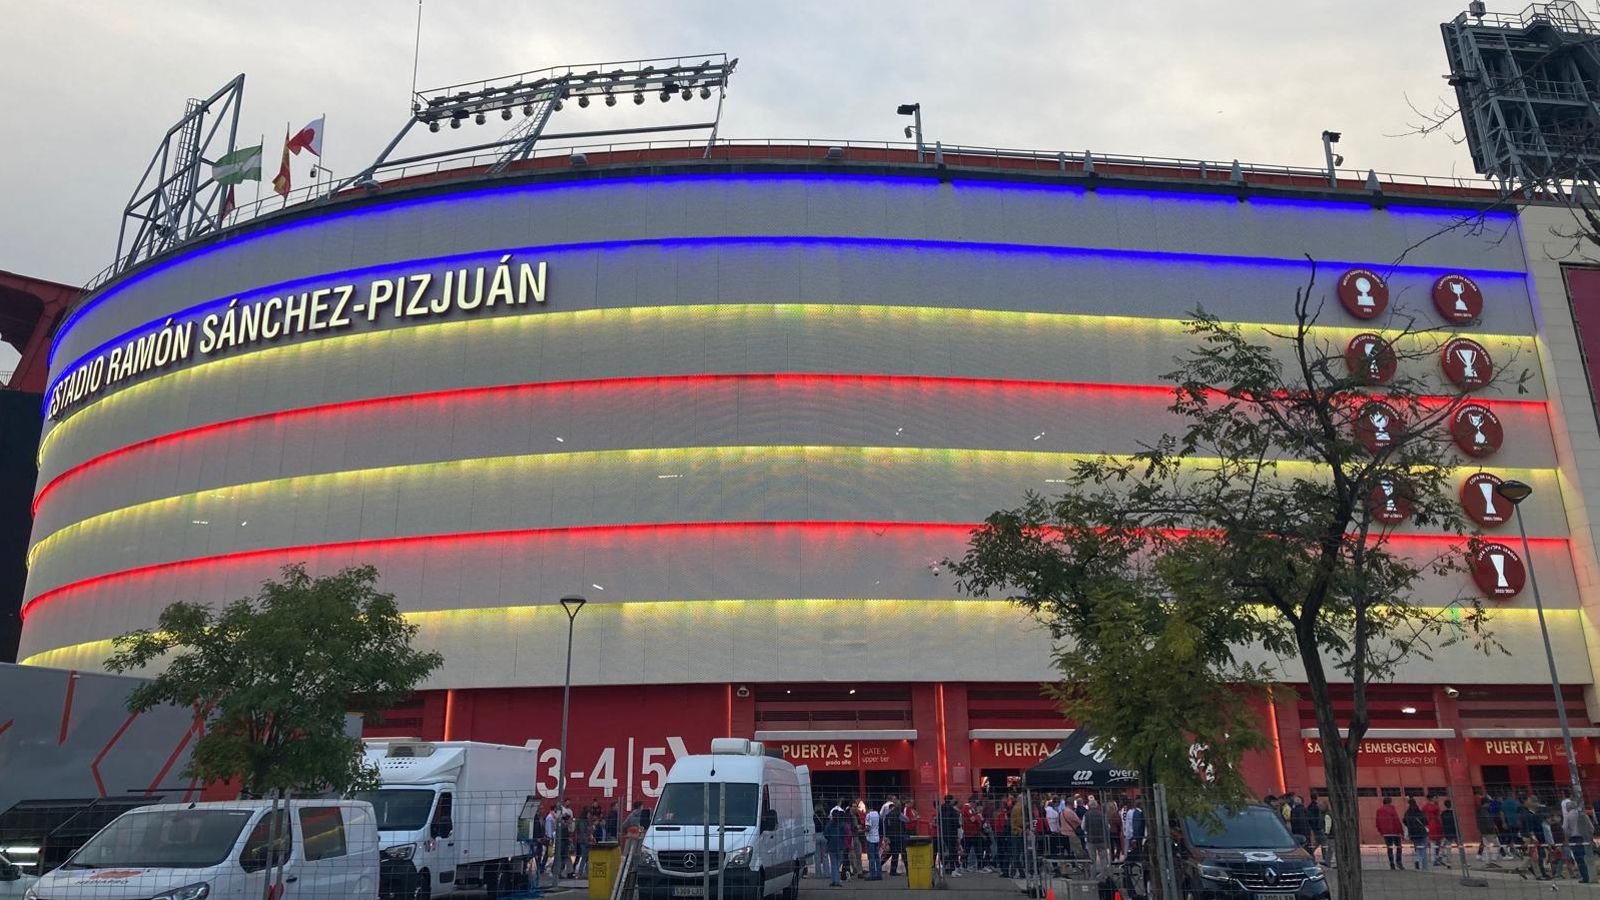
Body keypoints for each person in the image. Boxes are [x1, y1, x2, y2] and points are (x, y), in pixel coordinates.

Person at [1563, 796, 1593, 883]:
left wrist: (1567, 838)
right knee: (1588, 857)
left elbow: (1565, 828)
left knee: (1579, 859)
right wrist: (1590, 836)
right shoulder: (1582, 814)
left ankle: (1585, 877)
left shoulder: (1568, 816)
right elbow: (1591, 827)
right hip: (1585, 838)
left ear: (1568, 808)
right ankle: (1591, 875)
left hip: (1574, 839)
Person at [1083, 795, 1110, 877]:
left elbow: (1083, 827)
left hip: (1091, 840)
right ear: (1097, 805)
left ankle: (1093, 876)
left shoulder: (1086, 815)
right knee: (1103, 858)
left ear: (1089, 806)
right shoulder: (1102, 814)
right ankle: (1104, 875)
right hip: (1102, 839)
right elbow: (1107, 826)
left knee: (1092, 859)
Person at [938, 795, 964, 876]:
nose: (954, 801)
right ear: (950, 800)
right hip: (952, 832)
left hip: (944, 832)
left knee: (948, 850)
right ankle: (952, 868)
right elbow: (955, 822)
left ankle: (947, 867)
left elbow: (939, 821)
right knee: (953, 850)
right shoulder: (952, 810)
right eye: (953, 799)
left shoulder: (941, 809)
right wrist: (958, 827)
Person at [1376, 796, 1404, 870]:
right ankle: (1399, 862)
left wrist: (1380, 831)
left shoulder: (1379, 810)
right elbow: (1396, 820)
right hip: (1395, 831)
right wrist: (1401, 831)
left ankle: (1392, 863)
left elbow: (1377, 821)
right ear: (1390, 802)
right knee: (1398, 847)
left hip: (1386, 832)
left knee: (1389, 848)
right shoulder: (1392, 809)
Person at [1403, 798, 1431, 871]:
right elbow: (1425, 821)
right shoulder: (1419, 812)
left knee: (1418, 848)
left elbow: (1404, 821)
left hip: (1413, 834)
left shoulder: (1407, 813)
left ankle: (1417, 859)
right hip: (1422, 832)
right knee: (1423, 849)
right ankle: (1424, 866)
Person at [824, 808, 848, 887]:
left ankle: (835, 880)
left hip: (831, 845)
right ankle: (837, 880)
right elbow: (845, 833)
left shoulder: (829, 825)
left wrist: (830, 839)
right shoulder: (842, 825)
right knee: (838, 863)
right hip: (840, 845)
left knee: (833, 863)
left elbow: (826, 835)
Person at [1421, 795, 1446, 868]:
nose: (1437, 799)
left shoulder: (1424, 807)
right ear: (1432, 798)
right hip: (1437, 825)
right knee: (1439, 842)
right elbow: (1439, 817)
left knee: (1432, 843)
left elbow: (1422, 816)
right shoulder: (1436, 807)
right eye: (1436, 798)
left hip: (1429, 825)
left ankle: (1434, 859)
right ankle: (1437, 858)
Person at [883, 799, 906, 876]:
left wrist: (886, 836)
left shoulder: (888, 815)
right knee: (900, 853)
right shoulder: (899, 814)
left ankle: (879, 865)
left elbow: (886, 826)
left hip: (891, 836)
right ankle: (894, 871)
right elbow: (906, 820)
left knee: (891, 853)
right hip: (898, 835)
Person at [864, 800, 882, 880]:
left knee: (871, 858)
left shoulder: (868, 815)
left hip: (870, 838)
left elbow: (868, 828)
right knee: (877, 857)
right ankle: (879, 874)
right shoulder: (877, 814)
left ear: (867, 807)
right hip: (876, 837)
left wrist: (861, 830)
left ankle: (872, 875)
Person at [1439, 799, 1459, 868]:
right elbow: (1456, 823)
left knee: (1448, 848)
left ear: (1445, 805)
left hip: (1447, 832)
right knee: (1460, 847)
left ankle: (1448, 863)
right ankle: (1464, 861)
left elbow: (1441, 823)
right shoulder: (1454, 813)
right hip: (1455, 832)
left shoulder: (1443, 814)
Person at [1476, 794, 1497, 861]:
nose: (1489, 804)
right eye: (1489, 803)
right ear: (1486, 803)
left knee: (1485, 844)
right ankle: (1493, 858)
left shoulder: (1481, 810)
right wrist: (1492, 828)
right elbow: (1487, 821)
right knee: (1497, 844)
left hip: (1484, 830)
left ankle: (1483, 857)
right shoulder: (1484, 811)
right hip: (1488, 831)